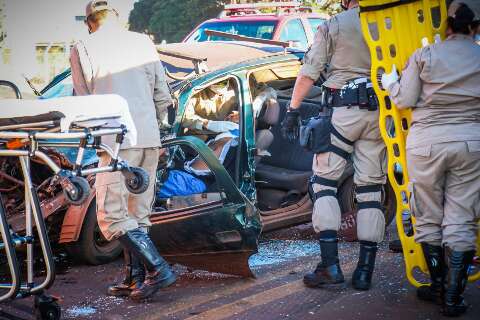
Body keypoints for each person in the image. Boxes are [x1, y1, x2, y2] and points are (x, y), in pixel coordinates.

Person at [70, 0, 176, 301]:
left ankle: (159, 271)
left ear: (90, 22)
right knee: (137, 215)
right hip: (148, 139)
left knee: (112, 216)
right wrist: (154, 134)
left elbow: (84, 101)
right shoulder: (143, 42)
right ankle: (134, 279)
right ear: (116, 18)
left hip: (116, 143)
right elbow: (162, 94)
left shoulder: (83, 47)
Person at [381, 1, 480, 316]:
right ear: (476, 27)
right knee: (462, 217)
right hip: (471, 142)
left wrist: (390, 84)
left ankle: (437, 286)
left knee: (428, 216)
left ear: (447, 26)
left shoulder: (425, 55)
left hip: (426, 144)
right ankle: (453, 297)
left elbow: (405, 100)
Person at [281, 0, 387, 291]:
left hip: (341, 113)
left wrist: (292, 109)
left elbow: (310, 70)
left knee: (323, 185)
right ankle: (364, 272)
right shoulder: (389, 22)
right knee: (370, 191)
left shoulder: (335, 24)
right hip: (380, 116)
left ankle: (330, 266)